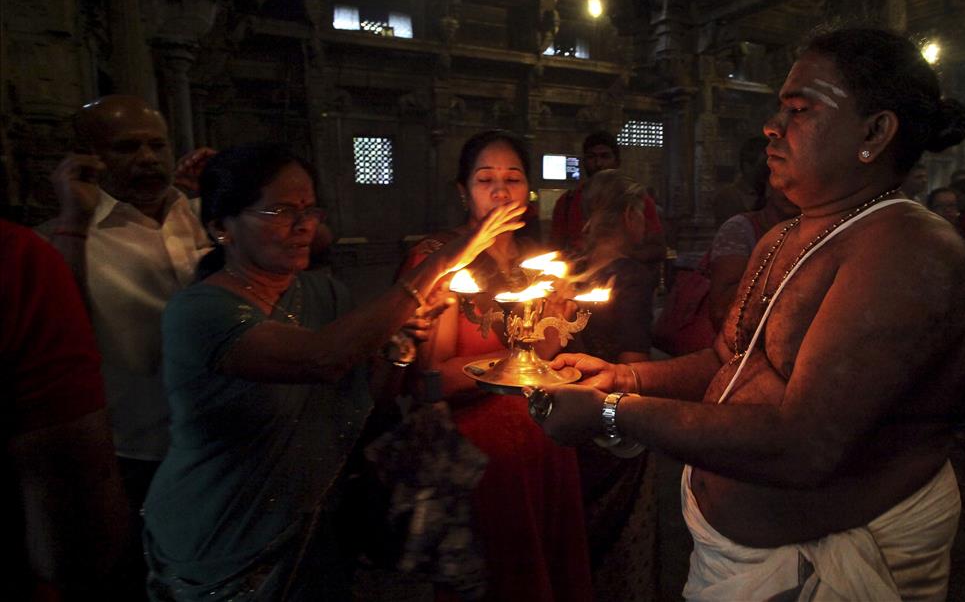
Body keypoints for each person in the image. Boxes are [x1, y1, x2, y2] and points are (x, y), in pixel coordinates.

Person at [537, 27, 965, 600]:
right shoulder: (785, 236)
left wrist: (613, 413)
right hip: (735, 560)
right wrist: (627, 377)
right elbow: (729, 360)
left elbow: (803, 447)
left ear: (874, 131)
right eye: (779, 108)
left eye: (800, 109)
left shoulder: (905, 249)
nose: (772, 125)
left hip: (829, 563)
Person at [142, 142, 522, 600]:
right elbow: (323, 359)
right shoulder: (200, 312)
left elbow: (367, 403)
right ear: (222, 226)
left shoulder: (325, 294)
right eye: (281, 210)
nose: (304, 226)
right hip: (224, 526)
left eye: (309, 209)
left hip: (316, 523)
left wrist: (401, 343)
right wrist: (439, 265)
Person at [400, 130, 593, 602]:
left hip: (546, 440)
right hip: (481, 457)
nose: (501, 190)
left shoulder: (542, 263)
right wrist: (512, 361)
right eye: (486, 179)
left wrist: (561, 318)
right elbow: (433, 379)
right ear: (463, 191)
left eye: (513, 178)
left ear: (528, 191)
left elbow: (546, 360)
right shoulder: (441, 263)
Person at [38, 94, 212, 597]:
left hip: (222, 437)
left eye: (157, 145)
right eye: (127, 147)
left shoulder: (203, 214)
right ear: (88, 156)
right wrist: (73, 216)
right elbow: (56, 329)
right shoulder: (66, 238)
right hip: (139, 451)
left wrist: (233, 187)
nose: (148, 159)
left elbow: (314, 244)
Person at [2, 219, 132, 600]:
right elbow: (74, 531)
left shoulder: (190, 220)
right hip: (122, 443)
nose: (147, 158)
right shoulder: (26, 252)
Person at [566, 170, 660, 602]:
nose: (646, 224)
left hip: (570, 416)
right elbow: (633, 362)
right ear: (627, 216)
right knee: (624, 544)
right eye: (642, 214)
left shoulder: (571, 270)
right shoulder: (632, 278)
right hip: (611, 419)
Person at [550, 130, 665, 264]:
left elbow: (658, 248)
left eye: (605, 156)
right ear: (584, 162)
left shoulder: (635, 199)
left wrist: (617, 256)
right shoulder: (567, 201)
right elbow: (555, 248)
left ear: (617, 162)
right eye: (592, 157)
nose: (598, 163)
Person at [708, 183, 800, 331]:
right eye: (783, 180)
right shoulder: (740, 230)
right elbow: (721, 308)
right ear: (768, 186)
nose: (792, 191)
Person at [712, 136, 770, 227]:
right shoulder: (728, 197)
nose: (768, 171)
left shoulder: (772, 193)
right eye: (763, 166)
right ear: (747, 166)